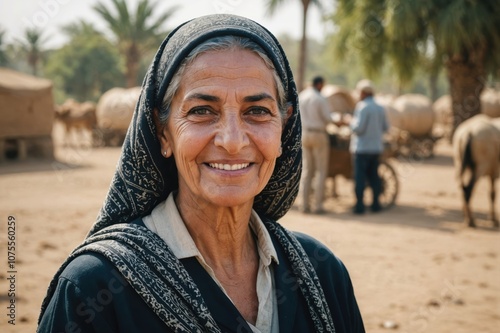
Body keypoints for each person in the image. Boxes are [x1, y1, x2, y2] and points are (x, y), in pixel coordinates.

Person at [38, 14, 365, 333]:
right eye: (202, 111)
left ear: (285, 128)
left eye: (257, 111)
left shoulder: (322, 274)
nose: (233, 141)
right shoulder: (92, 291)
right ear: (163, 132)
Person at [349, 79, 389, 214]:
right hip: (376, 148)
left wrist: (350, 123)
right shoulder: (380, 107)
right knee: (374, 177)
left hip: (362, 148)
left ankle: (359, 206)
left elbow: (358, 129)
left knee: (360, 178)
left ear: (364, 93)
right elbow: (385, 127)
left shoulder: (362, 107)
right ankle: (375, 204)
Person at [298, 76, 334, 214]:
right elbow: (328, 118)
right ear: (319, 85)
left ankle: (304, 204)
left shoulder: (302, 96)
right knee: (321, 171)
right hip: (319, 134)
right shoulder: (319, 98)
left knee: (307, 170)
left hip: (305, 134)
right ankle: (318, 205)